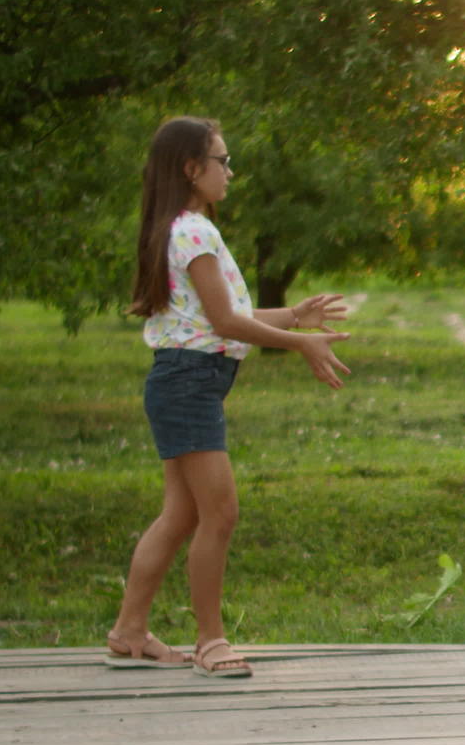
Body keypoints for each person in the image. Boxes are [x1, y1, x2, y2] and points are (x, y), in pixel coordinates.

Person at [104, 116, 351, 678]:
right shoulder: (193, 231)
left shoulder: (179, 227)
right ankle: (210, 641)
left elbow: (217, 318)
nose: (230, 172)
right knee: (220, 513)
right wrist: (301, 343)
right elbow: (224, 323)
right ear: (192, 170)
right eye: (222, 161)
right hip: (189, 383)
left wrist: (294, 317)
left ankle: (129, 630)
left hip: (185, 379)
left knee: (181, 514)